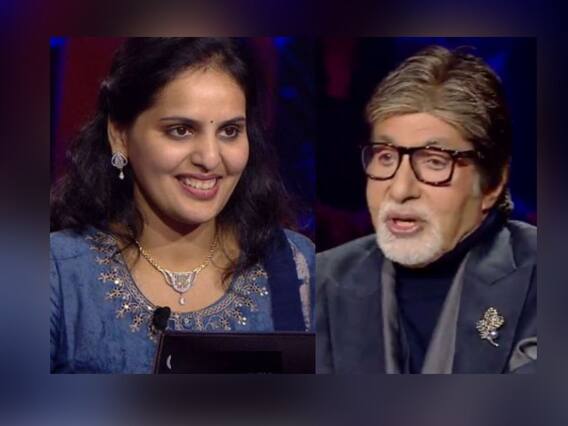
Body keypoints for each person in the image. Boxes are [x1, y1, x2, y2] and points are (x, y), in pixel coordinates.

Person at [50, 38, 315, 373]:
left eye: (230, 131)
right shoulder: (58, 272)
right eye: (181, 130)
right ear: (120, 135)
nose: (210, 158)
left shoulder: (300, 265)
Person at [316, 45, 536, 374]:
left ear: (492, 184)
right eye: (386, 157)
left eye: (435, 162)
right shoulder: (318, 283)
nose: (400, 190)